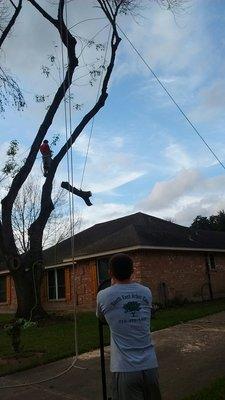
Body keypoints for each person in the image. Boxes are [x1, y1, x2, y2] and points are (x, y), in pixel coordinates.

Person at [96, 253, 161, 400]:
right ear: (133, 271)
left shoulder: (103, 295)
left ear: (110, 272)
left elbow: (101, 318)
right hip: (150, 366)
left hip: (124, 368)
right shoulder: (146, 292)